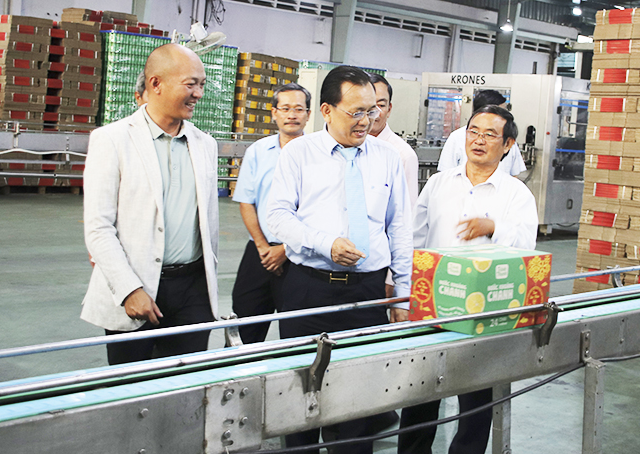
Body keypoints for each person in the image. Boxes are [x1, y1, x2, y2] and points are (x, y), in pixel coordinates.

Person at [267, 65, 413, 454]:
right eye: (356, 112)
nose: (366, 121)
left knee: (357, 405)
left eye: (372, 111)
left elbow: (399, 225)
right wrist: (324, 243)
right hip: (307, 291)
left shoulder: (387, 157)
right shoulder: (299, 153)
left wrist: (403, 290)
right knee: (299, 398)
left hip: (366, 295)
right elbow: (277, 216)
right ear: (327, 111)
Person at [397, 105, 538, 454]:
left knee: (476, 399)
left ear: (507, 145)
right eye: (473, 131)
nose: (478, 140)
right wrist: (402, 291)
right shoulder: (439, 183)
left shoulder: (516, 194)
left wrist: (494, 228)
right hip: (433, 303)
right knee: (421, 390)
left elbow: (527, 250)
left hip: (485, 314)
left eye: (490, 135)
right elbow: (414, 239)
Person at [81, 43, 219, 365]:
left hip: (193, 290)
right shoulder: (112, 140)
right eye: (190, 84)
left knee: (185, 387)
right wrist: (129, 289)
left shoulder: (204, 144)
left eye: (201, 84)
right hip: (136, 287)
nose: (198, 93)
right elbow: (99, 227)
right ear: (155, 84)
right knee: (132, 390)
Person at [230, 83, 311, 344]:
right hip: (260, 254)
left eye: (298, 109)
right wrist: (264, 247)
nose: (292, 115)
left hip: (300, 256)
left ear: (308, 114)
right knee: (245, 327)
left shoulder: (318, 154)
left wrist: (286, 250)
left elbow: (321, 211)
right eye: (285, 108)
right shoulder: (257, 152)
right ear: (274, 113)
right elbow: (246, 201)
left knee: (296, 332)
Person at [437, 89, 526, 176]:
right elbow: (445, 174)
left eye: (490, 135)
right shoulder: (457, 137)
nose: (479, 141)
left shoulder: (506, 138)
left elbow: (514, 174)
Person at [368, 73, 419, 208]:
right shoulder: (346, 146)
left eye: (381, 105)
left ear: (389, 109)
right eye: (369, 105)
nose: (375, 112)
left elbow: (408, 210)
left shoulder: (403, 155)